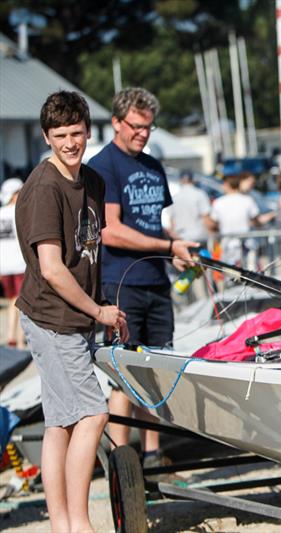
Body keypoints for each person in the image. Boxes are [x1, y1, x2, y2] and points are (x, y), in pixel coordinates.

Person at [15, 91, 128, 532]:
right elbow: (52, 269)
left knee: (60, 422)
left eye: (76, 133)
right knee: (94, 414)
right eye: (59, 135)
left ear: (87, 132)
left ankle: (62, 525)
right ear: (46, 137)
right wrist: (98, 313)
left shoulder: (94, 182)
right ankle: (79, 522)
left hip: (78, 316)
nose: (69, 143)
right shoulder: (44, 189)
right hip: (51, 316)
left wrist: (106, 308)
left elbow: (90, 253)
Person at [88, 87, 197, 470]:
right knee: (124, 373)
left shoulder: (152, 165)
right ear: (117, 122)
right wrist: (167, 248)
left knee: (156, 369)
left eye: (148, 127)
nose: (143, 134)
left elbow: (154, 226)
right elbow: (111, 231)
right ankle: (122, 459)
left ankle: (152, 453)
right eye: (135, 126)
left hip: (156, 281)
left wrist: (177, 249)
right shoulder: (104, 165)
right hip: (122, 283)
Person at [209, 172, 273, 268]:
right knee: (251, 272)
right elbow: (256, 220)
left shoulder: (218, 202)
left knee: (230, 274)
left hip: (229, 243)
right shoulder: (247, 200)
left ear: (227, 185)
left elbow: (213, 223)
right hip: (246, 242)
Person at [0, 178, 26, 347]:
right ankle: (21, 337)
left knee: (11, 300)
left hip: (4, 264)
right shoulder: (20, 212)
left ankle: (11, 334)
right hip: (19, 263)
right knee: (21, 302)